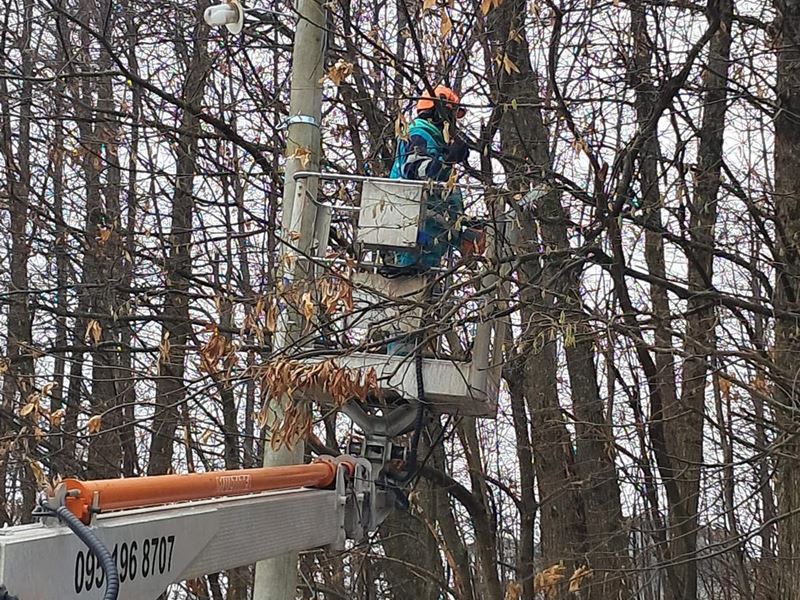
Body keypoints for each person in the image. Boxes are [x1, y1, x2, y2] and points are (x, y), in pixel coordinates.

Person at [383, 85, 482, 274]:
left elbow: (441, 198)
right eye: (451, 114)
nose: (453, 122)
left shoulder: (434, 139)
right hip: (412, 231)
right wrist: (447, 161)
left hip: (428, 242)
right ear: (438, 111)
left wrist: (465, 225)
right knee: (410, 292)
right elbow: (416, 170)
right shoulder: (419, 134)